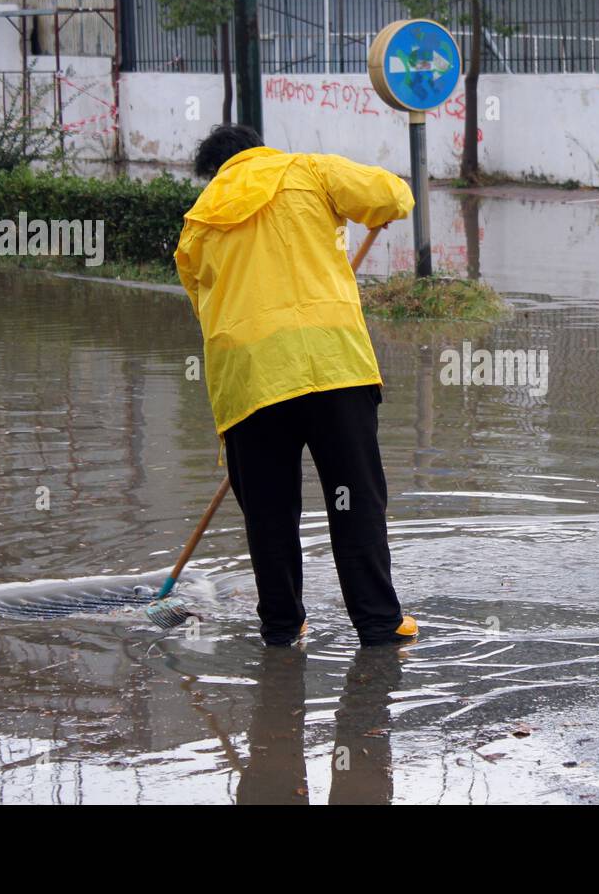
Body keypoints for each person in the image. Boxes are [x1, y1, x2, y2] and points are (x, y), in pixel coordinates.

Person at [174, 123, 418, 645]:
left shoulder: (197, 225)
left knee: (269, 512)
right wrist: (382, 210)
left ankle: (282, 626)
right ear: (258, 148)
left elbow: (205, 308)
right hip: (334, 370)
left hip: (249, 383)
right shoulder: (308, 170)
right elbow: (395, 195)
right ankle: (379, 623)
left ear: (215, 173)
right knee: (354, 500)